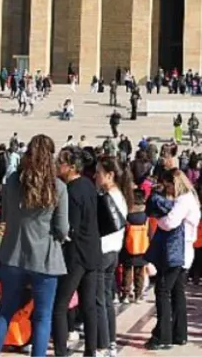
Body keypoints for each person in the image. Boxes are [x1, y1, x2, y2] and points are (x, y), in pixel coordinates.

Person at [0, 134, 69, 357]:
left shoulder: (13, 181)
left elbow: (5, 215)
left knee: (5, 310)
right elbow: (62, 228)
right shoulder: (58, 187)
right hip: (44, 257)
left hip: (13, 253)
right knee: (43, 316)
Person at [52, 146, 101, 357]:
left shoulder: (70, 191)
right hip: (92, 250)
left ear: (71, 167)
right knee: (89, 304)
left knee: (60, 305)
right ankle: (91, 350)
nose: (56, 165)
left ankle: (61, 352)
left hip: (76, 254)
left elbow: (69, 227)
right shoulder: (88, 185)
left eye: (59, 162)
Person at [145, 169, 200, 350]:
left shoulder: (184, 200)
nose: (168, 190)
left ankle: (164, 335)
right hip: (182, 251)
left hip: (177, 252)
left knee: (163, 291)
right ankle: (179, 333)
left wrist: (159, 219)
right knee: (177, 292)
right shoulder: (189, 198)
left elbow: (170, 222)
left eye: (168, 185)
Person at [94, 156, 131, 357]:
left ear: (110, 175)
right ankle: (110, 342)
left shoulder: (109, 197)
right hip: (113, 252)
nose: (95, 176)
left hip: (103, 252)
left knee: (100, 299)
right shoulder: (120, 196)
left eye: (99, 172)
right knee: (106, 298)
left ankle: (102, 345)